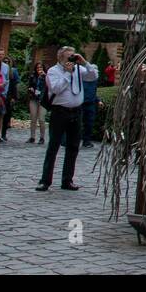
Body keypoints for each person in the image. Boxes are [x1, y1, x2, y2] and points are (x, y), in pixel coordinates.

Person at [36, 47, 99, 192]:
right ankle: (45, 180)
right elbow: (56, 89)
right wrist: (67, 74)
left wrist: (84, 62)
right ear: (60, 58)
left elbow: (93, 76)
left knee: (73, 147)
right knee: (54, 146)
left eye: (72, 56)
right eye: (68, 57)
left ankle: (67, 180)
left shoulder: (78, 69)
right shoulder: (53, 71)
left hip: (76, 112)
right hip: (60, 112)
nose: (70, 60)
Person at [26, 60, 48, 144]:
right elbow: (30, 86)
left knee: (42, 119)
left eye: (41, 67)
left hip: (43, 99)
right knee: (33, 118)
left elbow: (49, 86)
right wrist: (31, 89)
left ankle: (42, 137)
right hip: (34, 99)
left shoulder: (46, 76)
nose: (39, 69)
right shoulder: (33, 76)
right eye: (38, 68)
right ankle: (32, 137)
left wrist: (44, 76)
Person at [81, 63, 100, 148]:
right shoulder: (83, 80)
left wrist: (98, 101)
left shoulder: (95, 81)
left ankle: (86, 141)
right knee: (78, 123)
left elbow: (94, 93)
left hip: (91, 104)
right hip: (81, 104)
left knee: (89, 123)